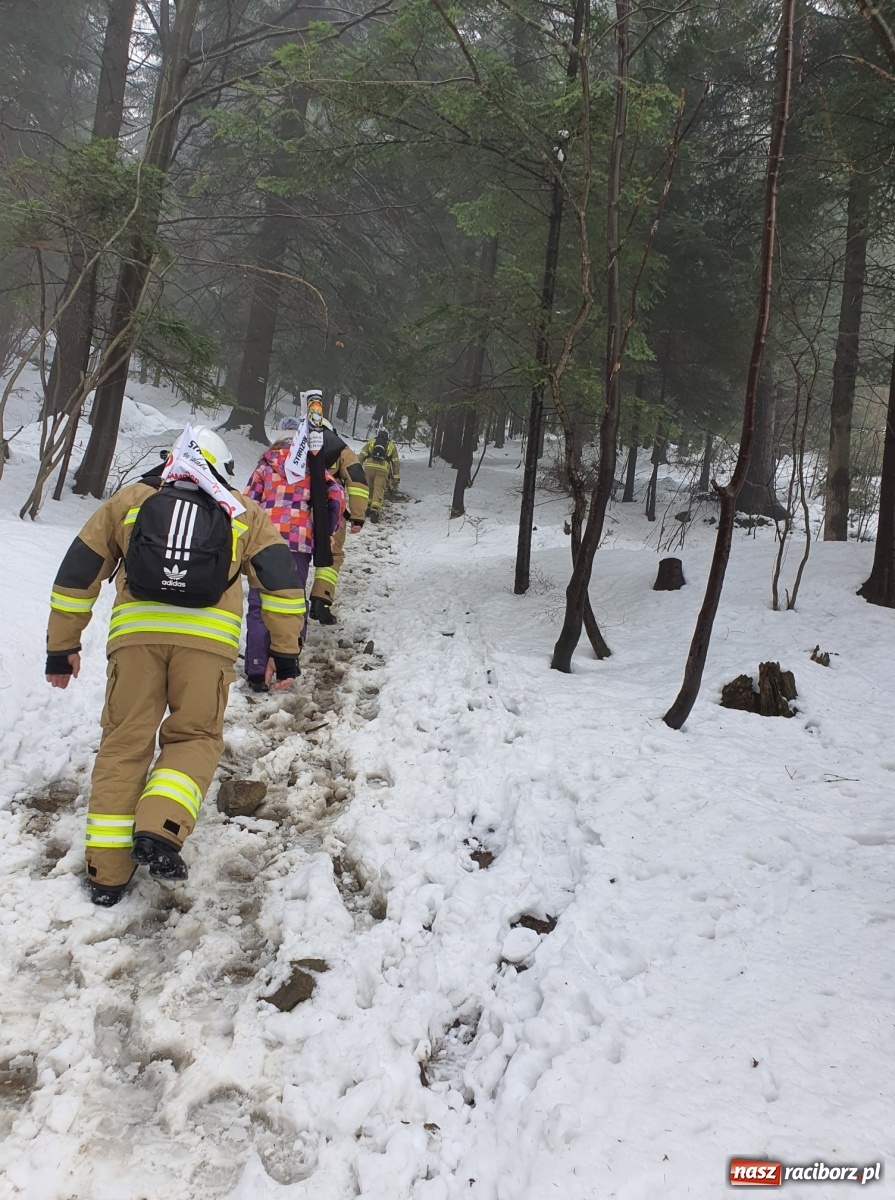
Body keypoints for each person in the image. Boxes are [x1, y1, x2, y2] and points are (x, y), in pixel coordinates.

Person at [45, 424, 306, 908]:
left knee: (124, 745)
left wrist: (62, 647)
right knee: (195, 737)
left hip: (135, 644)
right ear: (221, 469)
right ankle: (161, 827)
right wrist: (284, 652)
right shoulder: (242, 512)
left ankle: (106, 874)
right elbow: (283, 587)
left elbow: (77, 576)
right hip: (207, 651)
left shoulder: (129, 502)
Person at [243, 417, 344, 688]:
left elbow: (247, 503)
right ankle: (288, 662)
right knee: (292, 604)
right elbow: (336, 496)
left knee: (259, 604)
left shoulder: (265, 465)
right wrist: (329, 530)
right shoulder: (313, 467)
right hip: (299, 542)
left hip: (263, 542)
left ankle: (256, 667)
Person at [304, 414, 368, 625]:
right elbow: (357, 482)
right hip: (330, 511)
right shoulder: (341, 449)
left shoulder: (293, 445)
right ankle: (321, 601)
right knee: (332, 554)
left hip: (295, 511)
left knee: (295, 554)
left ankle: (289, 599)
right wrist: (357, 516)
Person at [358, 428, 400, 523]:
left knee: (368, 488)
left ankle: (367, 508)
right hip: (382, 469)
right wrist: (396, 478)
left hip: (369, 468)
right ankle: (374, 511)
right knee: (378, 490)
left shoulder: (371, 442)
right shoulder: (391, 446)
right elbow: (395, 463)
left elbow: (361, 456)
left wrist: (356, 468)